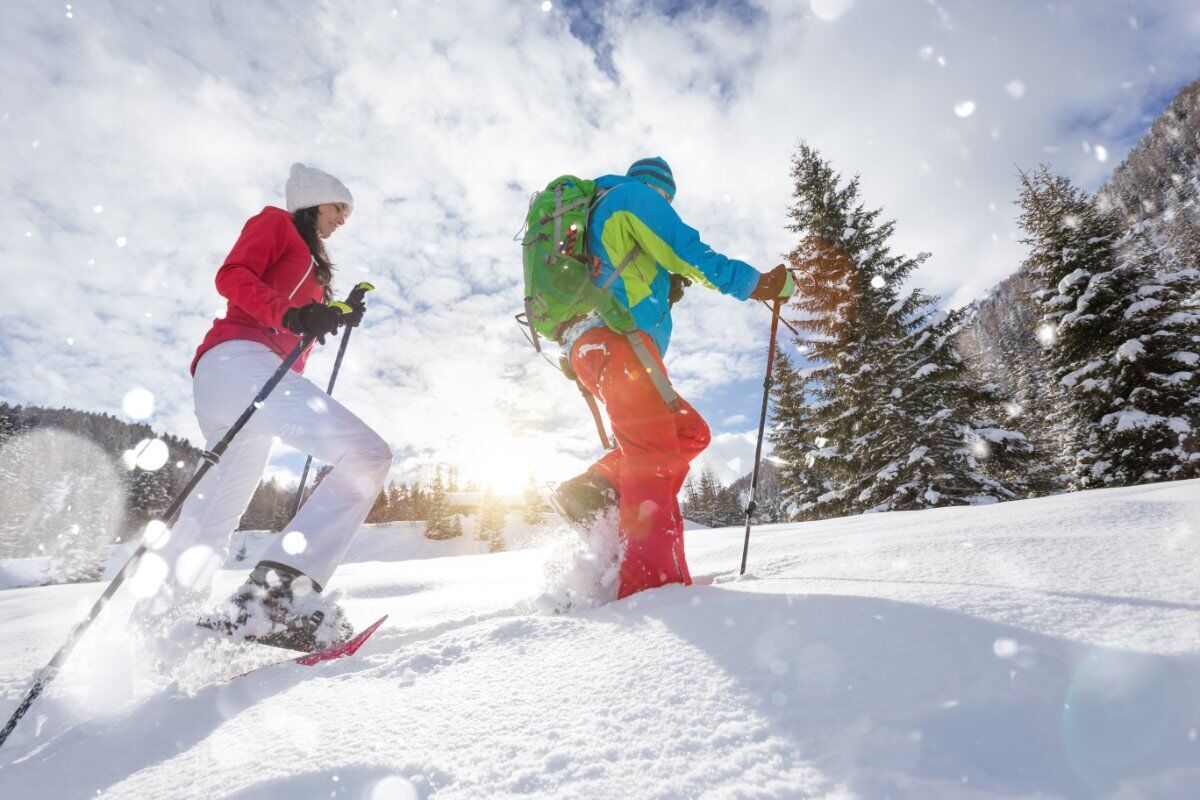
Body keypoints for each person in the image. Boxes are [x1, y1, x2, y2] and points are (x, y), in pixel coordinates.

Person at [134, 163, 392, 651]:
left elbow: (295, 314)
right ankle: (277, 601)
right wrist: (293, 313)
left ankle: (161, 634)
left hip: (237, 377)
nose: (343, 220)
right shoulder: (276, 223)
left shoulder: (312, 264)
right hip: (239, 362)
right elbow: (234, 276)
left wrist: (334, 312)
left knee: (215, 516)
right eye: (340, 208)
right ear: (314, 199)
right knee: (368, 454)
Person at [552, 156, 794, 600]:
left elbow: (618, 274)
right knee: (655, 455)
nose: (667, 204)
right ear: (661, 190)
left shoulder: (600, 210)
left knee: (688, 432)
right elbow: (688, 251)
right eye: (668, 198)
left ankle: (597, 486)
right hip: (617, 343)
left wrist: (662, 283)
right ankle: (653, 588)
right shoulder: (634, 197)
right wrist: (758, 284)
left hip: (600, 346)